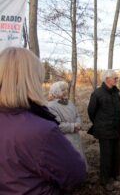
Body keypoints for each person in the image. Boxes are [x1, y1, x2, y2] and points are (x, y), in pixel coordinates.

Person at [0, 47, 86, 194]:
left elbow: (76, 113)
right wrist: (72, 126)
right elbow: (75, 174)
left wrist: (78, 122)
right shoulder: (40, 129)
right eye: (38, 79)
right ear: (31, 81)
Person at [87, 69, 120, 192]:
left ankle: (115, 174)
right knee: (106, 156)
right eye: (115, 78)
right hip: (104, 130)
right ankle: (105, 180)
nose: (117, 80)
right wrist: (99, 124)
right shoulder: (97, 93)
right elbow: (91, 112)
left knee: (115, 153)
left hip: (116, 129)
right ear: (107, 79)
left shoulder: (116, 93)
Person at [48, 81, 88, 169]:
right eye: (63, 90)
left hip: (75, 136)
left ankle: (81, 177)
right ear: (56, 92)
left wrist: (78, 123)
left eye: (66, 89)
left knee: (79, 160)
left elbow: (77, 115)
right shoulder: (51, 106)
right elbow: (57, 125)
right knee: (68, 163)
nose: (66, 91)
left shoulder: (69, 103)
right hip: (64, 139)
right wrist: (73, 126)